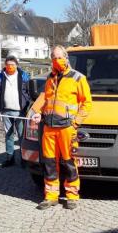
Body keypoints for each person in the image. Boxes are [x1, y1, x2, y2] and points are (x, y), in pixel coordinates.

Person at [30, 45, 92, 210]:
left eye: (59, 57)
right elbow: (46, 98)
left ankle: (72, 196)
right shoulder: (50, 78)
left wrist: (76, 122)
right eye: (54, 57)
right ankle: (51, 196)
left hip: (66, 128)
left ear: (66, 58)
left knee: (68, 163)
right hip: (49, 128)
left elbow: (87, 103)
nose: (56, 60)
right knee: (49, 163)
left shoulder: (78, 78)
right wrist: (37, 113)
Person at [0, 54, 31, 167]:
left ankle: (24, 159)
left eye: (12, 65)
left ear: (16, 65)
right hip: (5, 111)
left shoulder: (24, 76)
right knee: (8, 135)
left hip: (20, 111)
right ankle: (10, 158)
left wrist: (27, 104)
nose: (10, 67)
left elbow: (28, 91)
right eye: (8, 64)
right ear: (5, 65)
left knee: (21, 135)